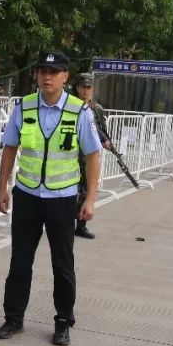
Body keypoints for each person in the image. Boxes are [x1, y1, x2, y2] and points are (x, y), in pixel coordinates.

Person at [0, 52, 102, 346]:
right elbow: (9, 149)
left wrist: (90, 199)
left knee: (62, 264)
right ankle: (13, 318)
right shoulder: (24, 107)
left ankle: (63, 320)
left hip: (62, 199)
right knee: (20, 261)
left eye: (54, 72)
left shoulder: (80, 112)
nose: (47, 77)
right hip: (26, 195)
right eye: (42, 71)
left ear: (66, 77)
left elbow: (93, 156)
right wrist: (2, 188)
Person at [72, 73, 109, 240]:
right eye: (82, 87)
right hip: (71, 155)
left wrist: (107, 141)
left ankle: (81, 225)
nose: (85, 91)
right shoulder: (69, 106)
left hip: (88, 156)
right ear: (77, 87)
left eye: (88, 88)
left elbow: (103, 132)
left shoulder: (97, 109)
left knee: (86, 188)